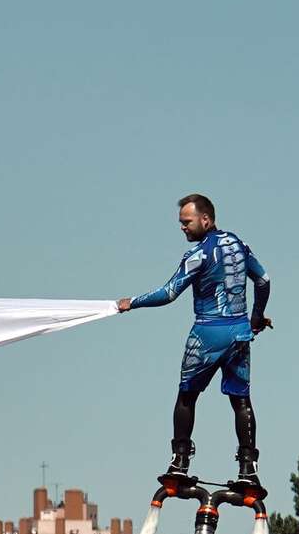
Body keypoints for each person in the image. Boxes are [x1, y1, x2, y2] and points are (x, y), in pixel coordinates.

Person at [116, 193, 273, 484]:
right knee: (241, 400)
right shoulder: (239, 245)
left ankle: (179, 462)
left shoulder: (198, 255)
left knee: (187, 395)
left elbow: (169, 293)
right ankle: (248, 469)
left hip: (207, 333)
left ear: (205, 219)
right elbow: (263, 280)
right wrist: (255, 318)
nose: (182, 228)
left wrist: (132, 302)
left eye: (186, 222)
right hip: (239, 334)